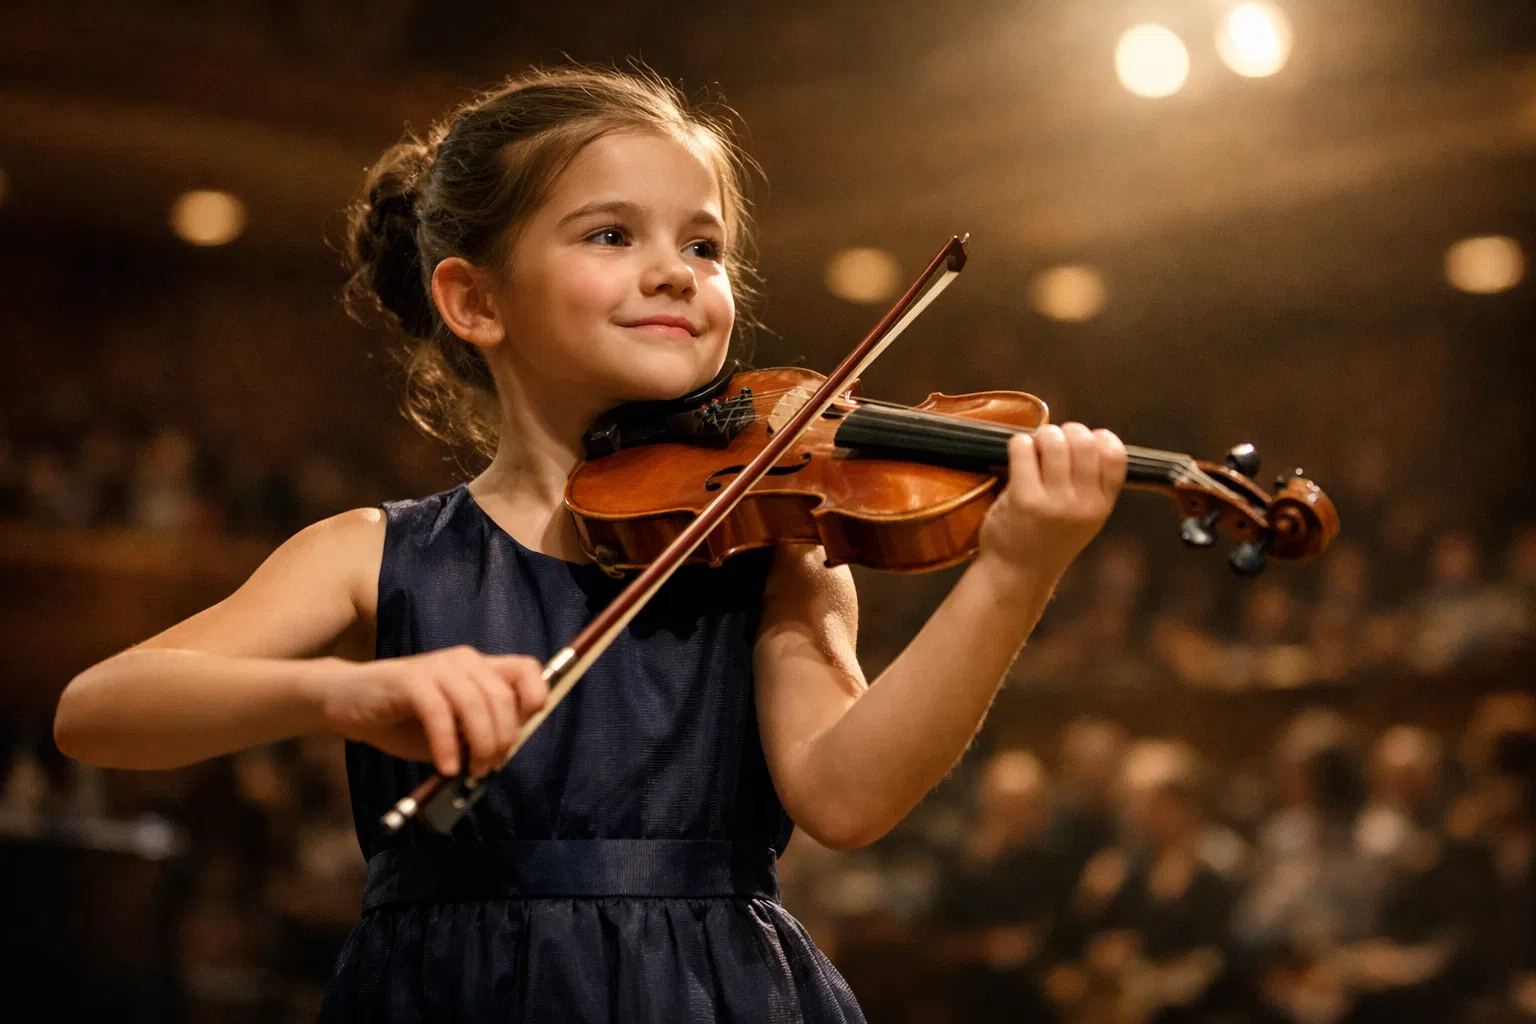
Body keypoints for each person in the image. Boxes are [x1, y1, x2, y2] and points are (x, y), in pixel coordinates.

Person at [50, 65, 1128, 1022]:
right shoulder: (374, 552)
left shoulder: (769, 544)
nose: (676, 272)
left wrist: (1015, 573)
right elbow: (100, 710)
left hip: (716, 992)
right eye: (613, 235)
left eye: (703, 245)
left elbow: (846, 796)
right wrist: (335, 695)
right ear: (474, 299)